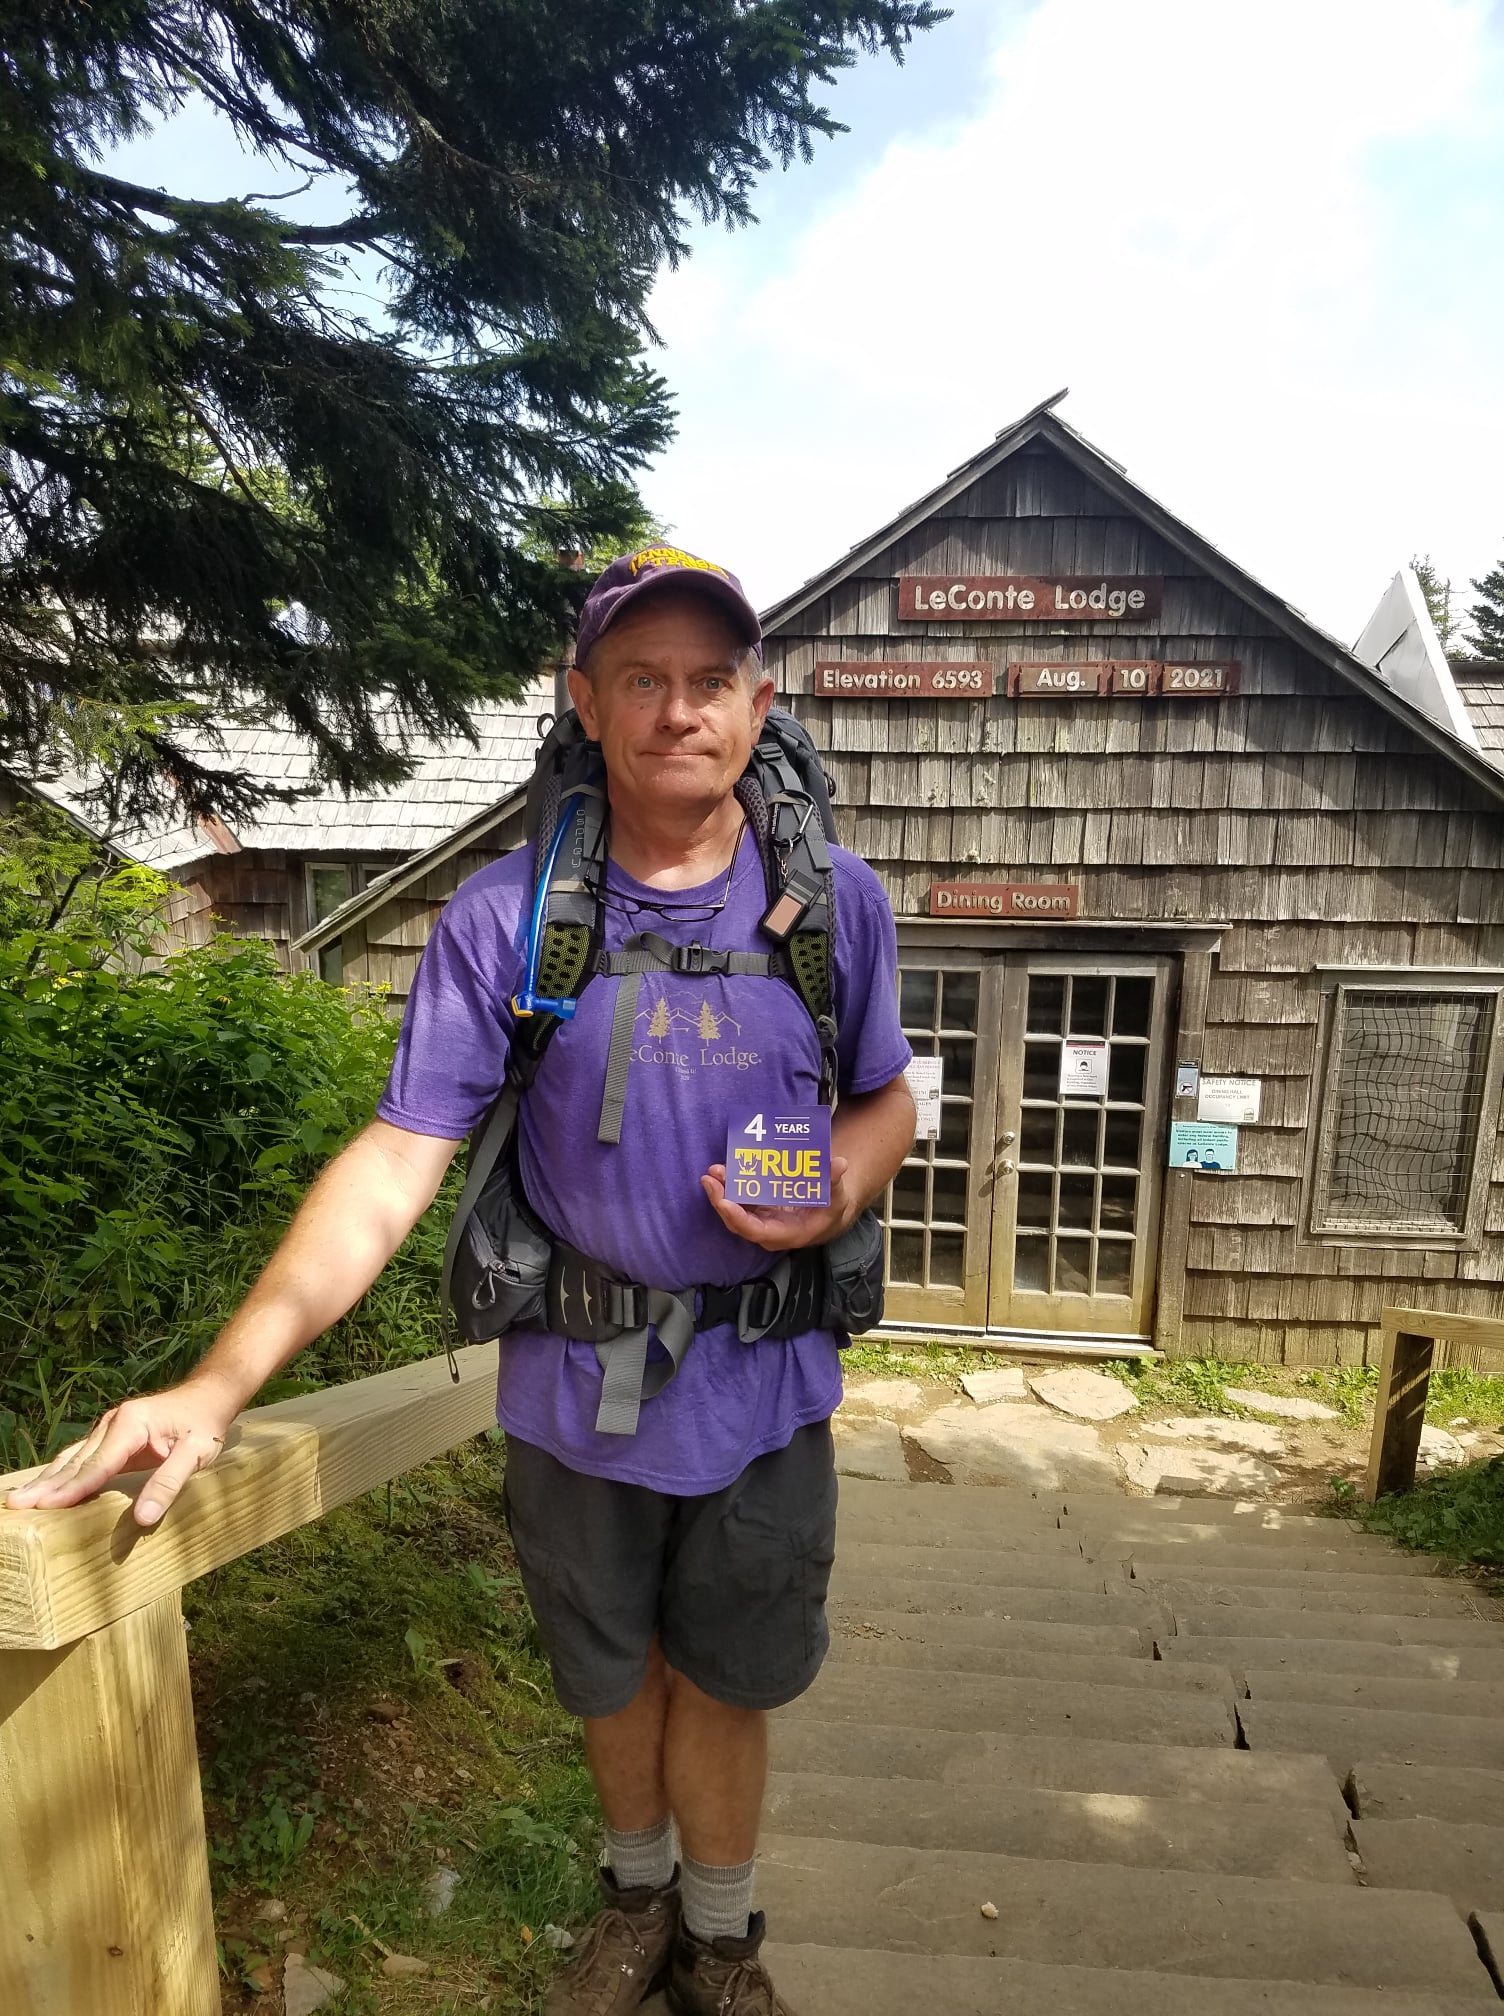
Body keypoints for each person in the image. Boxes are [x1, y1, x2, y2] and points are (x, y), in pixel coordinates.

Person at [8, 545, 915, 2016]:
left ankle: (722, 1940)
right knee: (610, 1670)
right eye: (643, 679)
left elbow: (888, 1102)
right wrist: (219, 1384)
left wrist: (834, 1203)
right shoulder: (508, 918)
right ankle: (635, 1902)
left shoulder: (838, 910)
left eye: (708, 681)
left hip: (765, 1380)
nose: (678, 711)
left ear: (757, 703)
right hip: (571, 1387)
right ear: (586, 700)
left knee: (730, 1677)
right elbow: (392, 1160)